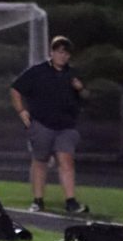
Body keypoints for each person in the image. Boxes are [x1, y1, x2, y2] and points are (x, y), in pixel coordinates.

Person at [10, 36, 89, 214]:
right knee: (40, 161)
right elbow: (16, 88)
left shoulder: (73, 74)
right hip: (42, 124)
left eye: (66, 53)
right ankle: (38, 200)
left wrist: (81, 89)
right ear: (52, 53)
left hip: (67, 125)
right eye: (59, 52)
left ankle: (71, 201)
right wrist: (22, 111)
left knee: (66, 161)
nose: (62, 56)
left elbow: (87, 97)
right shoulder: (38, 72)